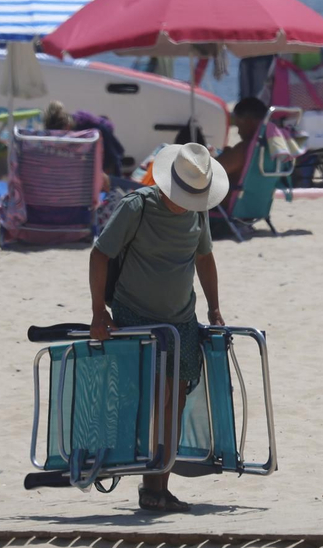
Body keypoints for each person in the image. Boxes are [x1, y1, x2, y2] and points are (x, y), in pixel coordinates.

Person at [89, 143, 227, 513]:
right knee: (157, 394)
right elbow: (100, 254)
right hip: (136, 313)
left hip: (181, 319)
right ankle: (149, 482)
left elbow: (204, 257)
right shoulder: (138, 206)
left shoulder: (198, 211)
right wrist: (98, 312)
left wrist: (214, 308)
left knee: (175, 401)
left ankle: (158, 487)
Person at [217, 97, 268, 189]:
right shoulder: (270, 149)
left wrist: (226, 155)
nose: (238, 132)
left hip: (230, 196)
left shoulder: (245, 149)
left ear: (250, 121)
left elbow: (212, 171)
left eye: (239, 125)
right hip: (260, 196)